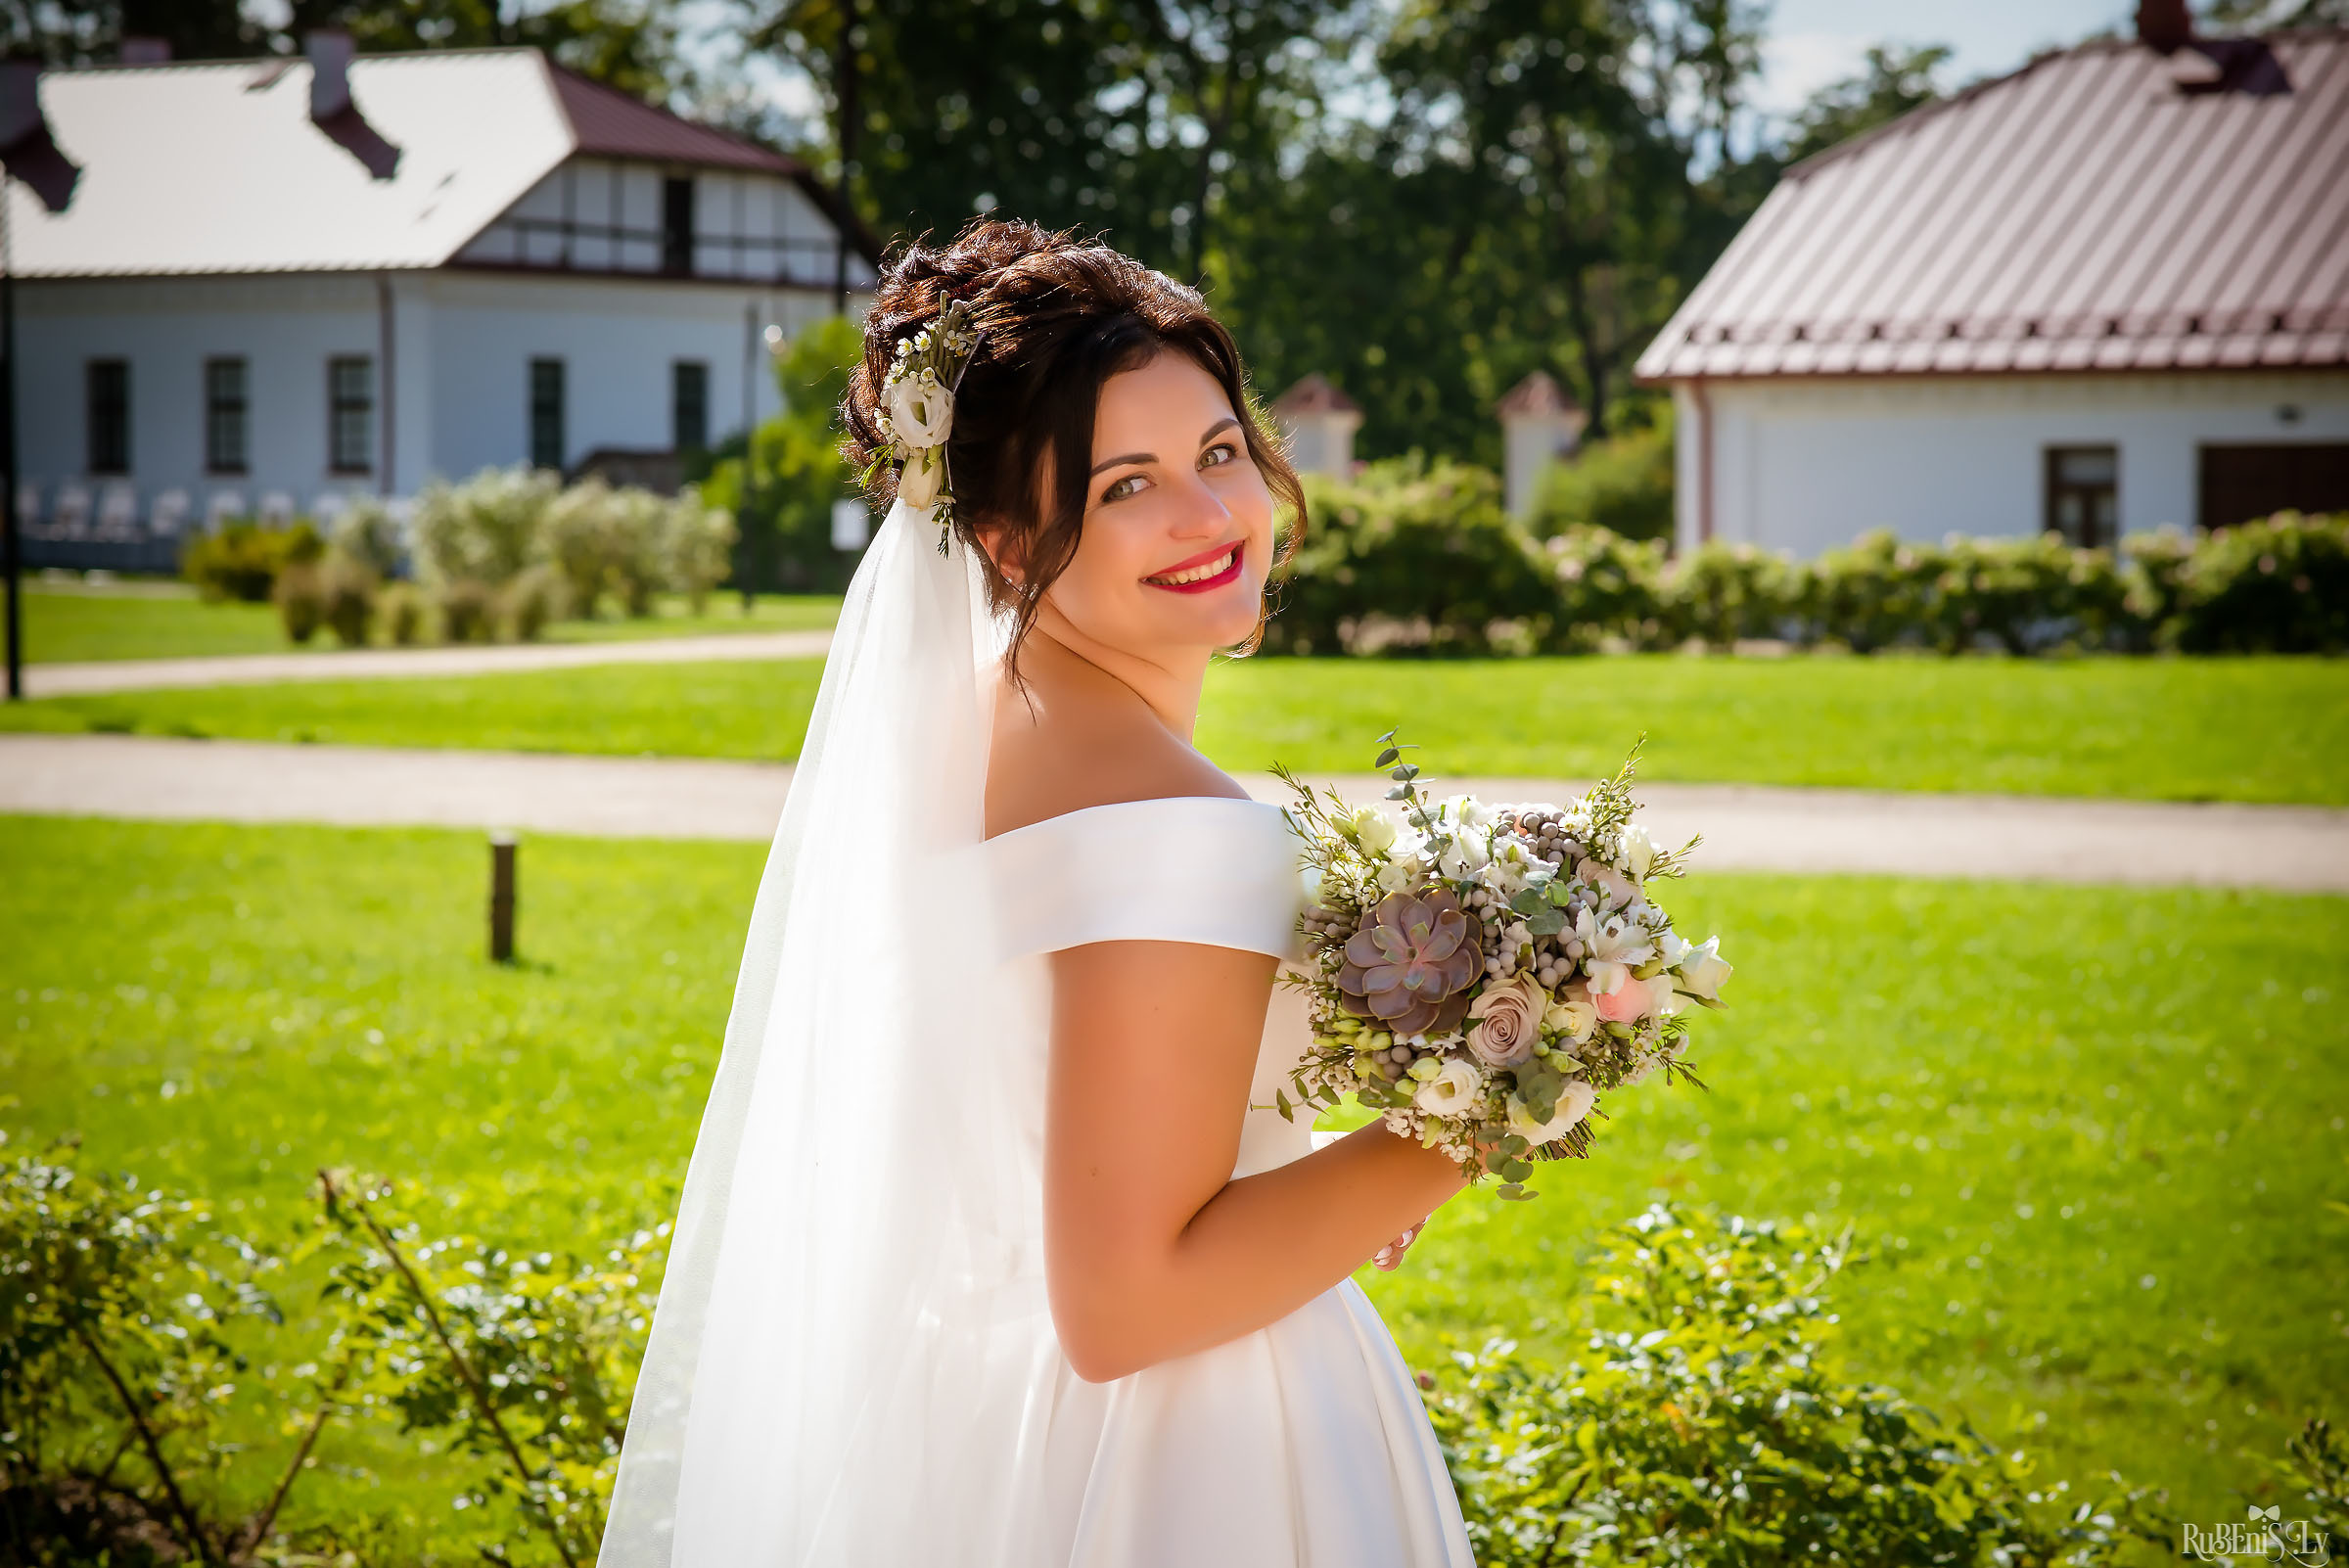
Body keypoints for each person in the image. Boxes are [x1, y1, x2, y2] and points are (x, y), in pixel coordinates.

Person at [598, 218, 1474, 1567]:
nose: (1207, 515)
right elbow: (1128, 1300)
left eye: (1219, 452)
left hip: (987, 1419)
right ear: (1007, 536)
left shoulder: (957, 738)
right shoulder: (1172, 826)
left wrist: (1321, 1185)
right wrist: (1480, 1114)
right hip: (1193, 1458)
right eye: (1125, 486)